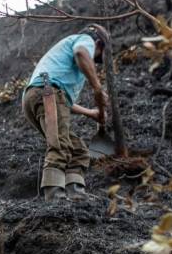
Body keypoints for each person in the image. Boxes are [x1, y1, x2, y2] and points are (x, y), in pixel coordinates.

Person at [22, 24, 110, 202]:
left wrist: (90, 113)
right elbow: (81, 53)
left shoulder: (63, 62)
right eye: (99, 56)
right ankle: (55, 198)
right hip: (46, 92)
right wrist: (97, 88)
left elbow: (63, 102)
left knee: (77, 149)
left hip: (37, 97)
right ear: (99, 44)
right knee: (60, 145)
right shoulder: (85, 41)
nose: (96, 60)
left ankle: (76, 195)